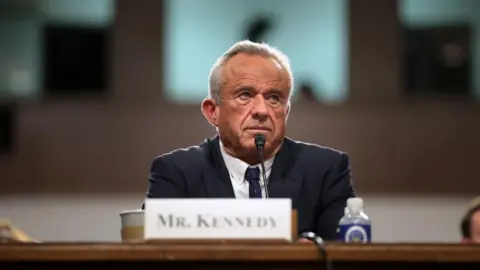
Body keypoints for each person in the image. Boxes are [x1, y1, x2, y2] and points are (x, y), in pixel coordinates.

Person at [144, 40, 356, 241]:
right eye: (245, 95)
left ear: (286, 112)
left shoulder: (326, 170)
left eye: (274, 98)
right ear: (212, 112)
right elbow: (152, 257)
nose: (262, 111)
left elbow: (344, 257)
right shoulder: (176, 172)